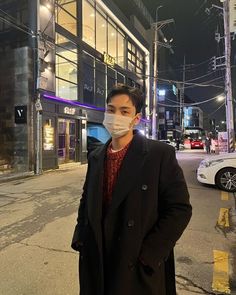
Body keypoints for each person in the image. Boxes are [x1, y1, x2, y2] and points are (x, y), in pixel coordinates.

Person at [71, 84, 192, 295]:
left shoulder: (159, 154)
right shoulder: (96, 156)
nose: (115, 116)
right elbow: (86, 197)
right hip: (98, 257)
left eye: (124, 111)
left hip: (135, 263)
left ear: (136, 118)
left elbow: (179, 209)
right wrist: (81, 236)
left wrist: (150, 254)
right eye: (111, 109)